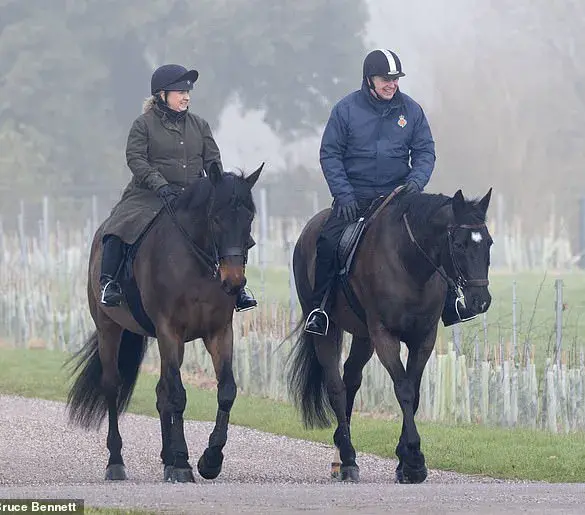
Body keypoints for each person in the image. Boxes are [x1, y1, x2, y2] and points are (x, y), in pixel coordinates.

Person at [99, 63, 257, 312]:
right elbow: (136, 159)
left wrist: (219, 187)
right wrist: (160, 185)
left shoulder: (200, 125)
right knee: (119, 225)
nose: (186, 97)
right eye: (179, 92)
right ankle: (109, 283)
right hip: (148, 195)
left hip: (193, 195)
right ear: (161, 95)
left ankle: (237, 289)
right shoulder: (143, 125)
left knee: (231, 226)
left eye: (188, 92)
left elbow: (213, 161)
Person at [304, 48, 436, 335]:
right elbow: (330, 154)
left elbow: (425, 151)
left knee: (438, 233)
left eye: (396, 79)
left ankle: (450, 304)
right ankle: (320, 309)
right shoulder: (345, 109)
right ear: (369, 80)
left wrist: (416, 183)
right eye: (385, 78)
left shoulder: (411, 110)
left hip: (399, 197)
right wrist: (344, 195)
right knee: (327, 242)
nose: (392, 84)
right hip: (355, 197)